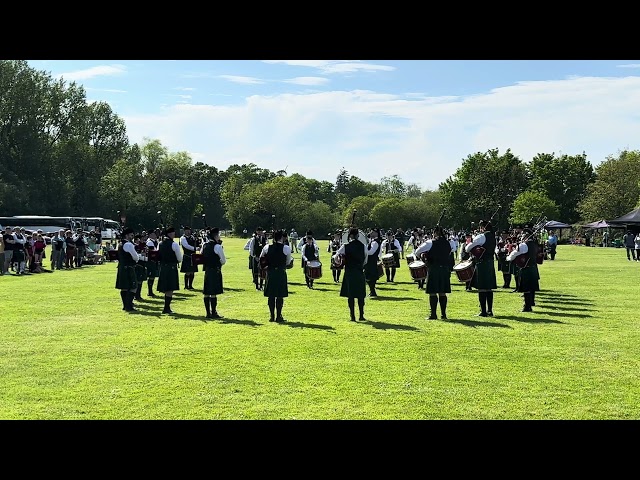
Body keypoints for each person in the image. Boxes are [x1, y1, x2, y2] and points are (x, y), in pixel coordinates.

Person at [414, 225, 452, 320]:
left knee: (433, 292)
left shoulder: (430, 242)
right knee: (442, 292)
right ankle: (443, 314)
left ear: (434, 233)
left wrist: (424, 257)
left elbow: (417, 251)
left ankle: (433, 315)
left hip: (434, 268)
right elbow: (451, 251)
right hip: (444, 269)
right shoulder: (448, 243)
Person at [333, 227, 368, 321]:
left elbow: (336, 257)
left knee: (351, 295)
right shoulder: (363, 246)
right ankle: (361, 315)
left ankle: (352, 316)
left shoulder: (345, 246)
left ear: (350, 236)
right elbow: (365, 260)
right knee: (360, 295)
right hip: (359, 272)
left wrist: (340, 262)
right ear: (358, 235)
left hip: (349, 272)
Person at [465, 220, 497, 317]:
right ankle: (490, 310)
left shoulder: (482, 236)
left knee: (482, 288)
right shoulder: (493, 236)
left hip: (482, 263)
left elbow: (468, 248)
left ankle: (483, 311)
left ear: (483, 227)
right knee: (489, 288)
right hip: (490, 262)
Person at [259, 229, 293, 322]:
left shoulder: (267, 247)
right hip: (281, 273)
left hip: (270, 273)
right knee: (279, 295)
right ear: (282, 237)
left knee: (271, 295)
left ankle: (271, 316)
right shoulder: (286, 248)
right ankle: (278, 316)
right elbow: (288, 262)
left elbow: (261, 259)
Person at [507, 229, 540, 312]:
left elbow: (514, 254)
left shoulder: (524, 245)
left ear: (526, 236)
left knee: (526, 288)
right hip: (533, 267)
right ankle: (531, 303)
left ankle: (527, 306)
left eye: (523, 235)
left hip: (526, 268)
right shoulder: (535, 245)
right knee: (531, 287)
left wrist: (508, 258)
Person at [157, 226, 184, 314]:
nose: (174, 234)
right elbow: (179, 258)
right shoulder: (174, 244)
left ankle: (166, 307)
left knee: (166, 288)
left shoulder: (160, 243)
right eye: (173, 233)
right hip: (171, 267)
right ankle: (166, 308)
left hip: (163, 267)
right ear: (169, 234)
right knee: (170, 288)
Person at [201, 227, 226, 319]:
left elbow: (201, 255)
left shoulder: (205, 245)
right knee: (213, 292)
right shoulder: (218, 246)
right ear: (215, 236)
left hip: (207, 270)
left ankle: (208, 313)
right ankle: (214, 312)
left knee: (207, 292)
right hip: (215, 270)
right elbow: (223, 260)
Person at [115, 227, 139, 312]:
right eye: (131, 235)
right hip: (129, 267)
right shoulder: (129, 245)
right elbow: (135, 257)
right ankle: (129, 306)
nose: (132, 236)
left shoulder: (120, 244)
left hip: (122, 267)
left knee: (124, 287)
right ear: (127, 235)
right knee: (133, 287)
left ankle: (125, 306)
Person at [364, 228, 382, 297]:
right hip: (369, 261)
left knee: (371, 277)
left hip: (371, 261)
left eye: (372, 232)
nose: (370, 233)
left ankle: (372, 291)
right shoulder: (372, 241)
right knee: (369, 277)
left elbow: (371, 252)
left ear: (376, 233)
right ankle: (372, 291)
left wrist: (363, 251)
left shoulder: (375, 242)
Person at [145, 229, 160, 297]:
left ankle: (150, 291)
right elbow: (155, 250)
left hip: (155, 260)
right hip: (150, 261)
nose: (155, 235)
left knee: (153, 276)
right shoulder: (149, 242)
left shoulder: (155, 241)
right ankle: (150, 291)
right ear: (150, 235)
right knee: (151, 276)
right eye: (153, 234)